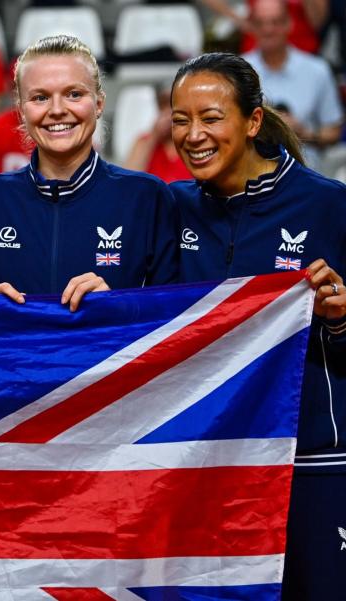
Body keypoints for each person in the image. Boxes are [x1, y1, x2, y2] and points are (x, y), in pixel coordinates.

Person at [169, 52, 346, 600]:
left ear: (251, 120)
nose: (194, 135)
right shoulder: (170, 207)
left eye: (211, 117)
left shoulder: (329, 206)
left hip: (311, 462)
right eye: (180, 120)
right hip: (198, 464)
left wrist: (341, 320)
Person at [0, 35, 178, 311]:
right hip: (15, 354)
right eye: (40, 97)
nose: (58, 110)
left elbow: (174, 319)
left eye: (74, 94)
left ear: (98, 104)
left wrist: (117, 305)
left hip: (110, 354)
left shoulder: (147, 196)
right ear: (22, 111)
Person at [242, 0, 342, 166]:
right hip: (250, 174)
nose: (268, 30)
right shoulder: (238, 71)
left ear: (289, 23)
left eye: (276, 22)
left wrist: (304, 134)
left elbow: (334, 131)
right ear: (252, 26)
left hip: (306, 170)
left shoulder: (317, 70)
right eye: (261, 23)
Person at [123, 87, 192, 184]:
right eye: (164, 106)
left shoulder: (193, 140)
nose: (169, 113)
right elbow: (128, 179)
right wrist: (153, 137)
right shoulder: (145, 141)